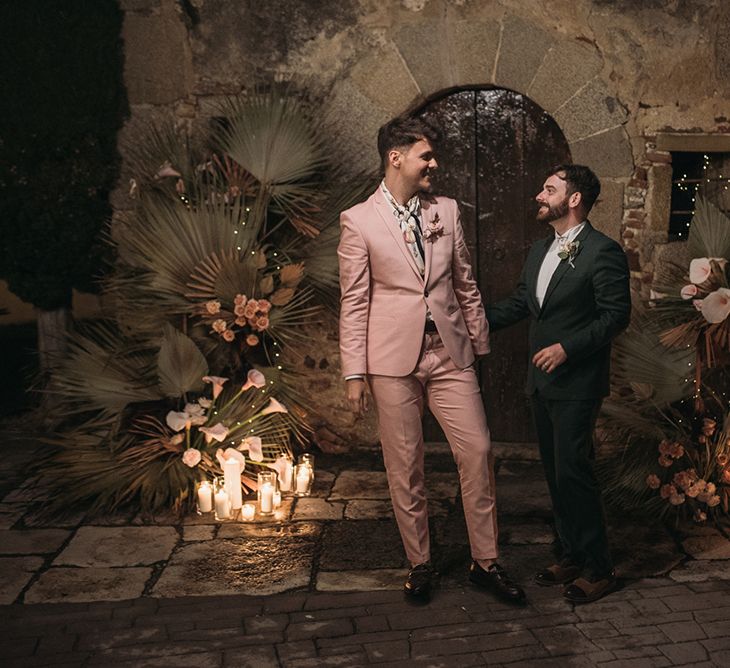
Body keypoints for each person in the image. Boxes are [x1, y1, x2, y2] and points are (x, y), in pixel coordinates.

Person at [337, 115, 524, 604]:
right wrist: (354, 372)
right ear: (396, 158)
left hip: (449, 354)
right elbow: (354, 300)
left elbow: (465, 283)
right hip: (390, 362)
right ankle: (419, 563)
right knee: (406, 465)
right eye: (426, 156)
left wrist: (477, 343)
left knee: (478, 451)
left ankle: (486, 562)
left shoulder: (447, 211)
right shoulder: (357, 221)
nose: (433, 165)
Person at [486, 164, 631, 604]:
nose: (538, 195)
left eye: (548, 189)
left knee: (574, 471)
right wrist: (465, 322)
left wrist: (568, 348)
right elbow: (520, 304)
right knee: (554, 472)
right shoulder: (538, 251)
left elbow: (615, 315)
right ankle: (571, 553)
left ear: (573, 199)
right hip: (542, 383)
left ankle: (600, 567)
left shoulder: (602, 251)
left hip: (577, 381)